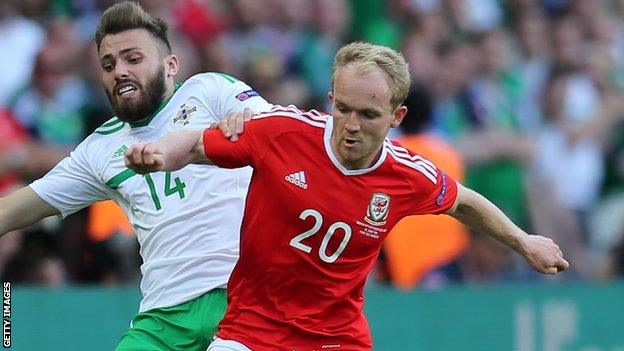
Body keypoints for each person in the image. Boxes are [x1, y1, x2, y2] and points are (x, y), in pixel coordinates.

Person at [125, 42, 569, 351]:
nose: (351, 125)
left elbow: (464, 202)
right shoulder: (282, 132)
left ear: (397, 116)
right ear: (331, 98)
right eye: (343, 108)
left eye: (368, 114)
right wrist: (159, 153)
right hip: (252, 329)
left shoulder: (406, 175)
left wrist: (523, 241)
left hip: (336, 338)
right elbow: (196, 143)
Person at [0, 2, 273, 350]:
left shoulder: (209, 91)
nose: (119, 72)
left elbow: (282, 135)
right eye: (108, 65)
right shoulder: (98, 150)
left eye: (133, 58)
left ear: (171, 65)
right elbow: (9, 211)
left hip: (243, 298)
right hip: (163, 318)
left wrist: (249, 123)